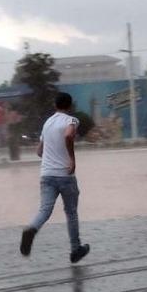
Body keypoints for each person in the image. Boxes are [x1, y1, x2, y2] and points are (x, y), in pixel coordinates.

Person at [20, 92, 90, 264]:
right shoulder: (71, 120)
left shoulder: (47, 123)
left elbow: (39, 151)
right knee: (71, 213)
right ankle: (75, 249)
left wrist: (52, 152)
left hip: (46, 174)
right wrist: (72, 159)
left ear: (55, 105)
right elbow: (68, 135)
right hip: (65, 175)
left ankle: (31, 229)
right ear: (70, 106)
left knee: (44, 210)